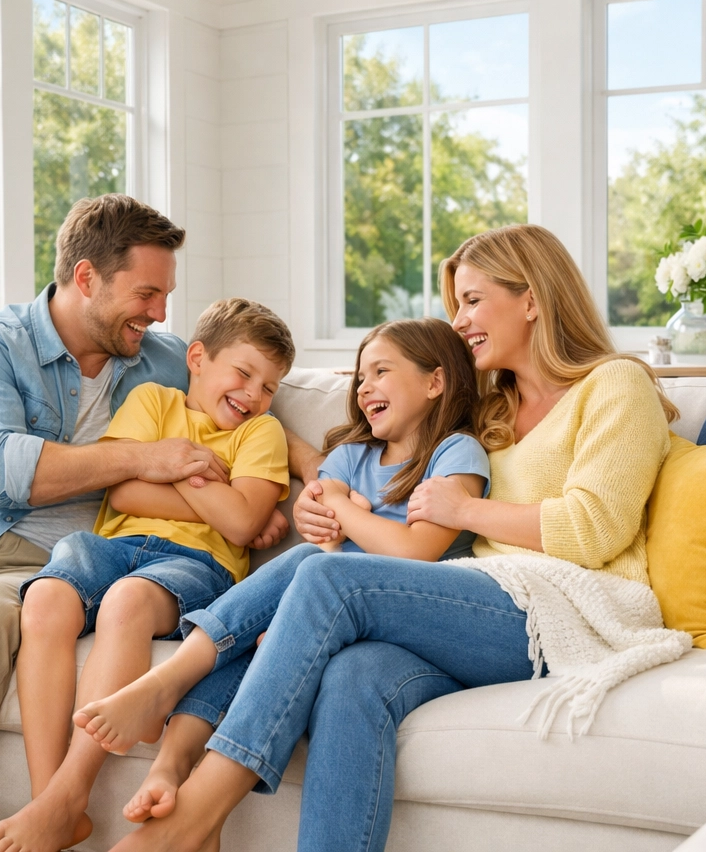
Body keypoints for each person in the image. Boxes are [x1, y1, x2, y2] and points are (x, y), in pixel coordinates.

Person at [81, 223, 692, 852]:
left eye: (473, 301)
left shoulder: (615, 383)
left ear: (533, 298)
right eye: (457, 306)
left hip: (563, 608)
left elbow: (594, 529)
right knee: (354, 677)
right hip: (470, 604)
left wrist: (467, 512)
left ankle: (193, 813)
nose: (459, 322)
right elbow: (375, 445)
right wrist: (317, 484)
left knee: (326, 576)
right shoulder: (492, 413)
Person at [0, 195, 289, 852]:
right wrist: (141, 456)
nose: (159, 314)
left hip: (41, 557)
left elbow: (245, 401)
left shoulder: (158, 358)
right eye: (148, 293)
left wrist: (299, 475)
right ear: (86, 278)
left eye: (165, 297)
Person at [59, 318, 490, 842]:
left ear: (435, 382)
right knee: (263, 636)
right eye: (359, 377)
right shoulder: (351, 456)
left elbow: (412, 552)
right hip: (335, 612)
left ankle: (162, 687)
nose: (364, 386)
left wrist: (335, 506)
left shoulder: (456, 453)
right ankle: (171, 767)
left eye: (381, 371)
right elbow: (327, 540)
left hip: (405, 613)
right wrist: (328, 518)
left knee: (312, 566)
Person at [0, 298, 296, 852]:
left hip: (197, 564)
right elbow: (122, 488)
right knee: (45, 600)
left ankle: (70, 793)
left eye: (269, 386)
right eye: (244, 373)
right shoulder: (153, 400)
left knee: (126, 601)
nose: (254, 394)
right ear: (197, 357)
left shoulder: (260, 434)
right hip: (110, 544)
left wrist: (174, 467)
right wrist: (205, 483)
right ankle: (47, 801)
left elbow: (243, 525)